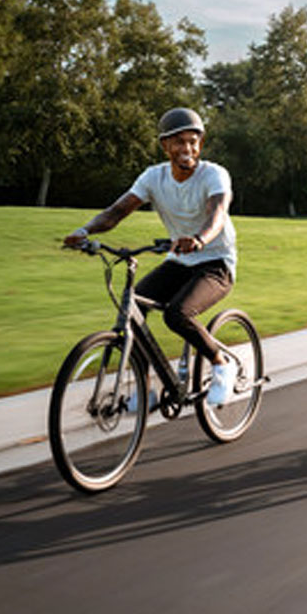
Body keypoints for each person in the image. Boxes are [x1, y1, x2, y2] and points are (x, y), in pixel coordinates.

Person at [64, 107, 238, 405]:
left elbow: (218, 213)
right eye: (179, 141)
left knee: (177, 313)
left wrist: (199, 239)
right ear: (164, 146)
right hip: (179, 261)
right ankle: (146, 392)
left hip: (215, 263)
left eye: (193, 141)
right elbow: (117, 211)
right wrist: (84, 231)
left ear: (201, 144)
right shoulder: (153, 177)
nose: (187, 148)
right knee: (132, 310)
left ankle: (222, 363)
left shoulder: (214, 174)